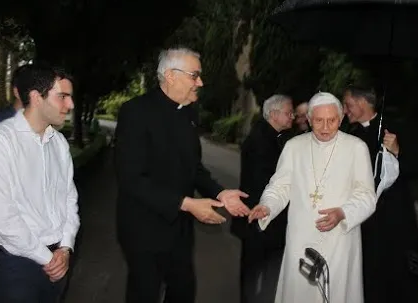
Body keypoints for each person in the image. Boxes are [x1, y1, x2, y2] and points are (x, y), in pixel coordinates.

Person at [114, 47, 250, 303]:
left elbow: (193, 168)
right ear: (170, 75)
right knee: (144, 294)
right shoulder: (135, 112)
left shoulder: (188, 112)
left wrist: (220, 192)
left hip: (179, 229)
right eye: (194, 75)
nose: (200, 82)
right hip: (143, 229)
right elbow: (131, 178)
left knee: (183, 291)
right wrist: (188, 204)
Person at [249, 92, 376, 303]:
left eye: (332, 120)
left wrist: (343, 213)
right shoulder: (294, 147)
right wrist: (267, 206)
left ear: (341, 118)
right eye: (319, 120)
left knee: (335, 293)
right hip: (301, 237)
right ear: (308, 120)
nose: (325, 127)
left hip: (339, 239)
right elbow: (280, 186)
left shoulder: (356, 148)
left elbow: (366, 195)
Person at [0, 64, 80, 302]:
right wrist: (49, 258)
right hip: (16, 266)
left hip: (58, 263)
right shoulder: (0, 143)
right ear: (36, 98)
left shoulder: (59, 142)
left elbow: (69, 199)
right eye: (62, 96)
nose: (70, 105)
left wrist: (66, 246)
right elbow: (3, 219)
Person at [342, 85, 418, 303]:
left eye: (348, 105)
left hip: (396, 221)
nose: (345, 110)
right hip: (366, 223)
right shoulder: (352, 135)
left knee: (397, 280)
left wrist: (397, 151)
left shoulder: (395, 128)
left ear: (362, 103)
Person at [231, 94, 294, 303]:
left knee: (264, 267)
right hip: (258, 216)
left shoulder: (272, 136)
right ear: (274, 114)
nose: (292, 116)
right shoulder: (261, 141)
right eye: (288, 113)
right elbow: (265, 182)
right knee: (254, 268)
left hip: (266, 217)